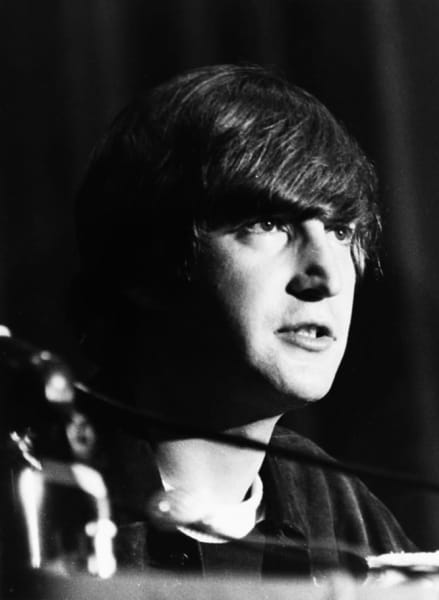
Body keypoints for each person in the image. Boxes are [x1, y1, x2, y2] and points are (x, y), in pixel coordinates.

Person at [70, 64, 414, 581]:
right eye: (268, 223)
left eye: (341, 231)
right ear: (145, 264)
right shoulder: (34, 498)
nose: (325, 276)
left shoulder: (344, 513)